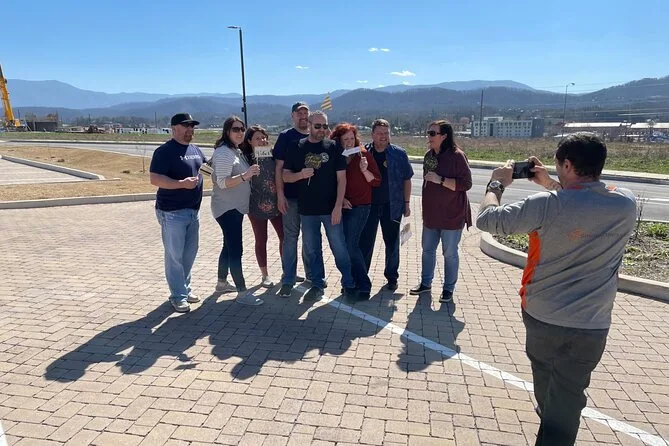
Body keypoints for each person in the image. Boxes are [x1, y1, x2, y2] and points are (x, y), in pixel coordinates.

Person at [476, 133, 636, 446]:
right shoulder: (625, 203)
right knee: (567, 391)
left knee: (551, 387)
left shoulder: (547, 205)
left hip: (543, 316)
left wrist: (496, 184)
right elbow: (582, 203)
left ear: (567, 165)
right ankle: (555, 416)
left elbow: (488, 219)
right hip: (592, 323)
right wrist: (551, 183)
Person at [283, 111, 357, 301]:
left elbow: (342, 180)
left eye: (325, 126)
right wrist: (300, 175)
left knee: (339, 247)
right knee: (312, 249)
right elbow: (285, 176)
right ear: (309, 125)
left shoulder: (333, 147)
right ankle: (317, 284)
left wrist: (338, 206)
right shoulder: (296, 147)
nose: (322, 129)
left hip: (330, 209)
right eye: (318, 126)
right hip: (307, 210)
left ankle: (348, 283)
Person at [410, 121, 472, 303]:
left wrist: (441, 180)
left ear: (444, 136)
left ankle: (448, 289)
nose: (428, 136)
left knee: (449, 254)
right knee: (427, 250)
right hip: (431, 215)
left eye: (432, 133)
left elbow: (466, 184)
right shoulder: (429, 155)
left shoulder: (457, 156)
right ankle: (426, 283)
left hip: (452, 216)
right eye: (428, 132)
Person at [149, 113, 206, 313]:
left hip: (193, 211)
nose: (190, 129)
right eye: (186, 126)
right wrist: (181, 184)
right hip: (172, 212)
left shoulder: (195, 150)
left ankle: (184, 289)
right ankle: (178, 296)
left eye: (192, 126)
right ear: (174, 128)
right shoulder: (164, 151)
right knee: (174, 255)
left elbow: (206, 169)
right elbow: (155, 179)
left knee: (189, 254)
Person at [211, 116, 263, 306]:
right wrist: (245, 175)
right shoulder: (224, 153)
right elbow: (222, 182)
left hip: (235, 207)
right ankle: (242, 292)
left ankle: (221, 283)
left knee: (228, 246)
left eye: (242, 129)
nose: (240, 132)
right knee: (235, 249)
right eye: (235, 129)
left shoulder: (234, 150)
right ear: (227, 131)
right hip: (227, 208)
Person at [359, 118, 414, 291]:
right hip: (369, 206)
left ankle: (392, 277)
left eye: (386, 133)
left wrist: (407, 203)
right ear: (372, 134)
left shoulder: (399, 154)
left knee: (392, 243)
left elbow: (407, 179)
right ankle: (361, 276)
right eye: (379, 133)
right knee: (365, 243)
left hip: (393, 205)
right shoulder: (363, 153)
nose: (383, 136)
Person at [330, 123, 381, 300]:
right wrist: (341, 200)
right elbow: (331, 182)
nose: (349, 142)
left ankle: (364, 284)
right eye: (345, 139)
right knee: (343, 247)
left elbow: (376, 181)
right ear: (338, 140)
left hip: (360, 206)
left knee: (351, 246)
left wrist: (365, 170)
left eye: (352, 138)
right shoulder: (335, 155)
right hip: (340, 206)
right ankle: (349, 281)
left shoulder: (363, 154)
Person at [239, 125, 284, 288]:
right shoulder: (245, 159)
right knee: (261, 239)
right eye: (258, 138)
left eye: (264, 137)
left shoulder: (274, 155)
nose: (262, 140)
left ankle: (287, 270)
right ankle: (265, 275)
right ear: (249, 141)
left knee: (285, 237)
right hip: (255, 205)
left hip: (276, 203)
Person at [275, 101, 311, 296]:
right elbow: (279, 168)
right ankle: (288, 278)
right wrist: (280, 194)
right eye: (299, 113)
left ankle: (311, 277)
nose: (303, 116)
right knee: (290, 238)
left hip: (313, 198)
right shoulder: (286, 137)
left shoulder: (316, 134)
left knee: (310, 239)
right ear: (292, 116)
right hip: (291, 197)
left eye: (306, 113)